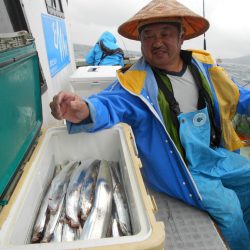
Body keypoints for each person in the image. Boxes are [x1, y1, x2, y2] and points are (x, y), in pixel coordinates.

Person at [50, 0, 250, 249]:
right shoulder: (135, 82)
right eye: (148, 36)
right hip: (179, 169)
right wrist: (81, 109)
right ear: (141, 42)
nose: (157, 42)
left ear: (181, 37)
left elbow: (237, 95)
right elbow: (108, 105)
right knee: (229, 209)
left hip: (214, 155)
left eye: (165, 34)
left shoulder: (205, 67)